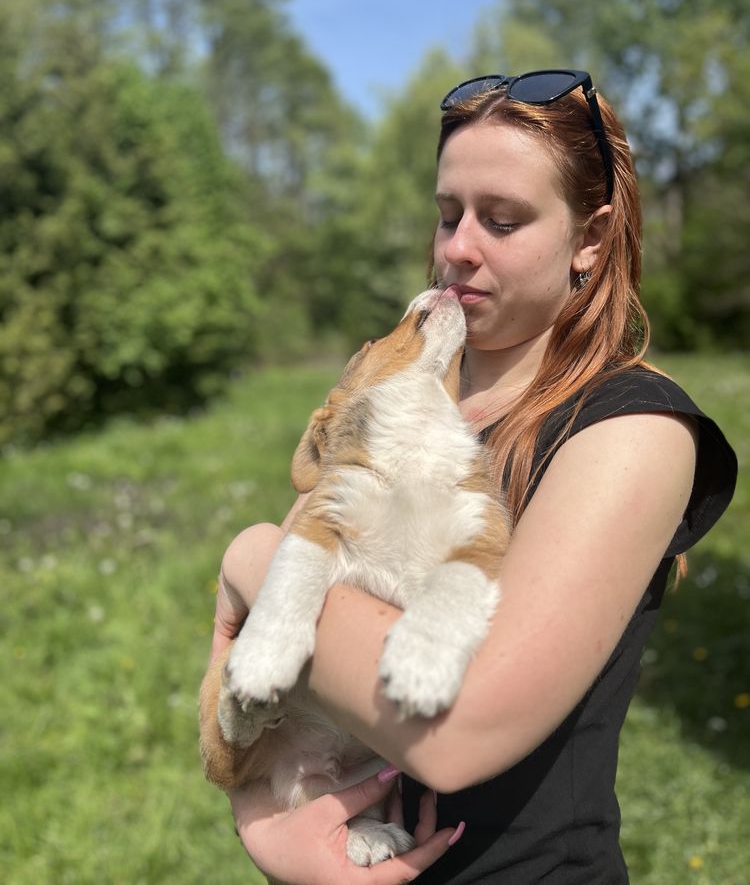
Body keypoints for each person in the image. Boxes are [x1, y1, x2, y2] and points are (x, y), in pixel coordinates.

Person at [208, 70, 737, 884]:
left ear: (590, 240)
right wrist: (265, 827)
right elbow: (247, 678)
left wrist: (249, 556)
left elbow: (460, 732)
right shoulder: (401, 392)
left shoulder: (633, 426)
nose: (457, 246)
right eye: (448, 213)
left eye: (503, 219)